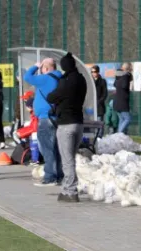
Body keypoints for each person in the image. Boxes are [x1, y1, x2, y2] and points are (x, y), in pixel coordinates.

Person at [46, 52, 87, 202]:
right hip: (79, 123)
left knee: (67, 159)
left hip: (66, 124)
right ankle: (68, 188)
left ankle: (70, 191)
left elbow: (52, 97)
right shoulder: (81, 79)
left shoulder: (66, 81)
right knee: (71, 158)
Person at [24, 57, 64, 187]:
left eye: (42, 68)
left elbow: (27, 77)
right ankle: (59, 175)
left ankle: (50, 177)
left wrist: (35, 66)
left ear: (45, 68)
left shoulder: (46, 78)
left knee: (47, 148)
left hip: (45, 117)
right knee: (56, 148)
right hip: (57, 117)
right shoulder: (60, 78)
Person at [113, 62, 133, 134]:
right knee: (128, 119)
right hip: (123, 102)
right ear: (128, 69)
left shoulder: (118, 76)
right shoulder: (126, 76)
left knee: (122, 119)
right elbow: (124, 86)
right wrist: (128, 78)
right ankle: (119, 133)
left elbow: (115, 84)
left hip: (116, 102)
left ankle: (120, 137)